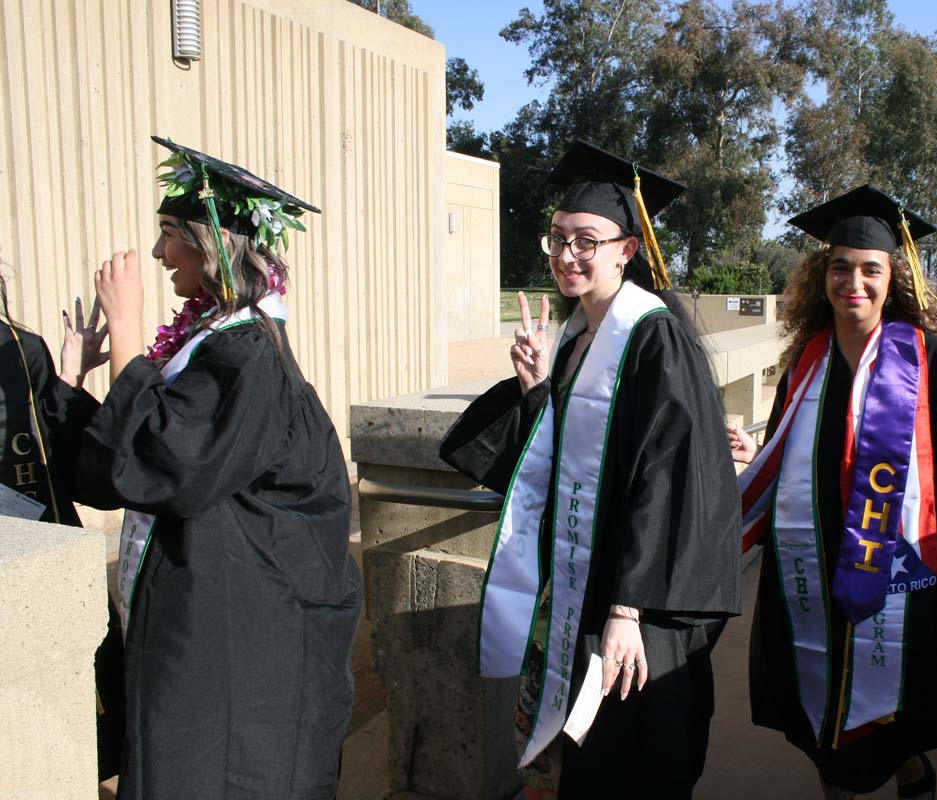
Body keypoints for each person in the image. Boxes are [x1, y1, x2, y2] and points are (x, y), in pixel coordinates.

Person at [53, 137, 363, 799]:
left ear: (212, 244)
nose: (162, 253)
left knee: (212, 769)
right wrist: (71, 381)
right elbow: (129, 457)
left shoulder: (244, 356)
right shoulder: (220, 344)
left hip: (239, 624)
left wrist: (129, 330)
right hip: (219, 610)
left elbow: (162, 463)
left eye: (171, 235)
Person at [439, 141, 741, 799]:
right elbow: (559, 462)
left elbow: (664, 476)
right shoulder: (577, 338)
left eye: (587, 240)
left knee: (637, 757)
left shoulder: (654, 335)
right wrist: (534, 389)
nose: (567, 254)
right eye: (557, 238)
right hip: (587, 585)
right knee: (589, 757)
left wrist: (629, 608)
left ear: (627, 250)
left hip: (640, 601)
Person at [729, 185, 937, 799]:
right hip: (811, 562)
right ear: (822, 277)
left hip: (899, 568)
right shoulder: (807, 363)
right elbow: (785, 446)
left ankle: (913, 776)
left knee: (896, 702)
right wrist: (754, 454)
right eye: (840, 267)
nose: (854, 281)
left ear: (893, 278)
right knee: (819, 697)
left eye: (870, 269)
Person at [0, 278, 123, 780]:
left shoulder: (20, 348)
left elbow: (50, 445)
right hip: (37, 542)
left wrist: (66, 380)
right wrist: (66, 380)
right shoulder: (19, 345)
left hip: (36, 536)